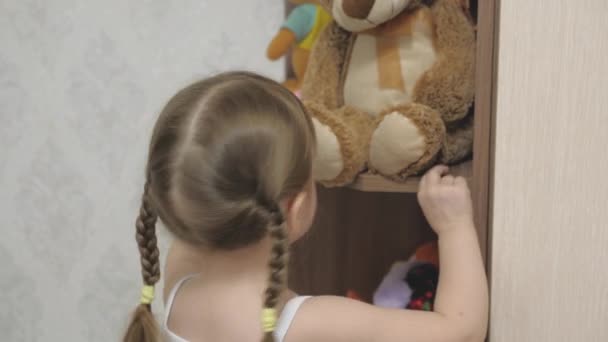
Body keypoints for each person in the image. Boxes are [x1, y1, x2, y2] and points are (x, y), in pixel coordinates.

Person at [123, 71, 488, 342]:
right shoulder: (308, 323)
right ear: (295, 208)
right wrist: (453, 227)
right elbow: (461, 329)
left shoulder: (177, 280)